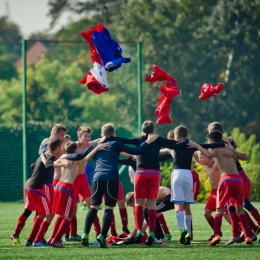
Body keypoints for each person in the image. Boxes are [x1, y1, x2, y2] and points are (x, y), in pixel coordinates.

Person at [61, 123, 158, 248]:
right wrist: (148, 141)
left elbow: (80, 156)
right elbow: (137, 151)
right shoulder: (116, 144)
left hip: (98, 178)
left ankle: (85, 234)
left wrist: (64, 155)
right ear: (114, 134)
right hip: (111, 178)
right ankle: (102, 235)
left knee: (94, 207)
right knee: (109, 208)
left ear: (102, 134)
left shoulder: (95, 145)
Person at [104, 120, 192, 246]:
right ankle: (151, 232)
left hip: (140, 173)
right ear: (153, 131)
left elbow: (121, 140)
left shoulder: (137, 140)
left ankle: (139, 229)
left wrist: (106, 138)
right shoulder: (158, 139)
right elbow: (175, 144)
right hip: (154, 174)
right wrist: (188, 142)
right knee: (151, 205)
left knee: (139, 203)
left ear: (142, 130)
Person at [189, 130, 253, 246]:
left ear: (212, 141)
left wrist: (196, 145)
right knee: (240, 210)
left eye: (209, 141)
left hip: (226, 180)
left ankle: (217, 235)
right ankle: (247, 236)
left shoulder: (215, 149)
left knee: (220, 210)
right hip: (238, 180)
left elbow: (208, 155)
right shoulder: (229, 148)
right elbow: (245, 157)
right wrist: (234, 154)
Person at [10, 125, 67, 245]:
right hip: (41, 185)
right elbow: (47, 162)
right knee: (46, 213)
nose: (63, 139)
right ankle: (37, 239)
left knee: (30, 210)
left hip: (34, 184)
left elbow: (41, 161)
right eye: (62, 136)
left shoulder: (47, 148)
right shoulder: (48, 146)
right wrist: (63, 164)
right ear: (55, 134)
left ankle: (26, 237)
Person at [48, 140, 108, 248]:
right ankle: (56, 240)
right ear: (75, 150)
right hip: (67, 187)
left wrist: (62, 163)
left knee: (62, 215)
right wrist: (97, 148)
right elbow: (86, 158)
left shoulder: (63, 156)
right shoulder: (75, 158)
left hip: (58, 186)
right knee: (68, 216)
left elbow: (52, 164)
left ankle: (53, 238)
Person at [207, 122, 260, 237]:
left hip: (236, 176)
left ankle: (252, 229)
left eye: (209, 133)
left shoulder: (223, 143)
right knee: (233, 207)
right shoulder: (227, 140)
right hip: (237, 176)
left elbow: (236, 158)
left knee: (242, 205)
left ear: (213, 133)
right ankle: (241, 233)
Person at [24, 137, 72, 247]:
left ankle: (31, 240)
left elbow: (38, 165)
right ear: (57, 147)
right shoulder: (49, 156)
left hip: (33, 187)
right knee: (48, 214)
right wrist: (63, 164)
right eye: (61, 146)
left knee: (44, 214)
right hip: (36, 188)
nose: (62, 148)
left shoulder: (46, 154)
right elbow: (49, 165)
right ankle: (37, 240)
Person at [69, 126, 101, 242]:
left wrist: (104, 138)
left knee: (92, 205)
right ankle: (71, 234)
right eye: (85, 136)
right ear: (79, 137)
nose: (87, 138)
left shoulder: (89, 145)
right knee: (73, 208)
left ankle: (98, 234)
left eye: (89, 136)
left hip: (83, 179)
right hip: (73, 180)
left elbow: (98, 140)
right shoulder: (74, 146)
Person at [196, 151, 231, 242]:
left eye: (202, 157)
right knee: (206, 213)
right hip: (213, 192)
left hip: (221, 190)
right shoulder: (205, 164)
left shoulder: (216, 163)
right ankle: (217, 232)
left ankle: (241, 231)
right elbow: (196, 154)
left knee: (227, 216)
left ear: (208, 156)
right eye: (199, 157)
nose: (200, 159)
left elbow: (218, 156)